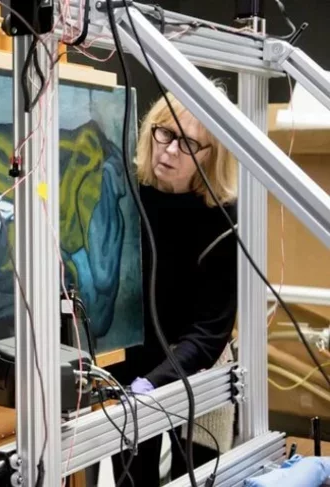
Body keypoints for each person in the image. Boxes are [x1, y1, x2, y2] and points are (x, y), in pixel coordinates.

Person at [108, 88, 239, 486]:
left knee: (199, 477)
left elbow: (210, 331)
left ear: (212, 155)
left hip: (199, 364)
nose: (168, 150)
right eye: (164, 133)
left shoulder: (224, 221)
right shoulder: (123, 195)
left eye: (188, 143)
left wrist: (156, 382)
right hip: (129, 365)